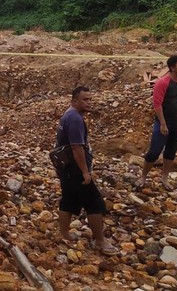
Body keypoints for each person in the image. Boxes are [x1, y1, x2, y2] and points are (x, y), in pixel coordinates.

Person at [56, 86, 119, 256]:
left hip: (65, 166)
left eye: (90, 99)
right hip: (74, 167)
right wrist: (85, 171)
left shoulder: (68, 114)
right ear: (74, 101)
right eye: (85, 100)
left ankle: (63, 233)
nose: (89, 103)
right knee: (95, 202)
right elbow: (77, 147)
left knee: (69, 199)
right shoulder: (75, 118)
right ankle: (100, 241)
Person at [136, 55, 177, 190]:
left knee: (171, 152)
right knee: (154, 152)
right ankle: (143, 177)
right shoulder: (162, 83)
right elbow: (157, 104)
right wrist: (163, 123)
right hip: (164, 123)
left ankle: (164, 178)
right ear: (172, 67)